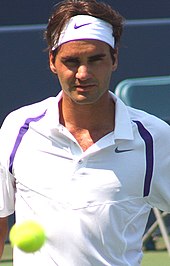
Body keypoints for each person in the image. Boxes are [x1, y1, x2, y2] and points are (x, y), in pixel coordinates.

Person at [0, 0, 170, 265]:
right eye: (71, 61)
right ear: (52, 62)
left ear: (114, 59)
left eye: (95, 59)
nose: (83, 73)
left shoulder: (155, 139)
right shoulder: (18, 128)